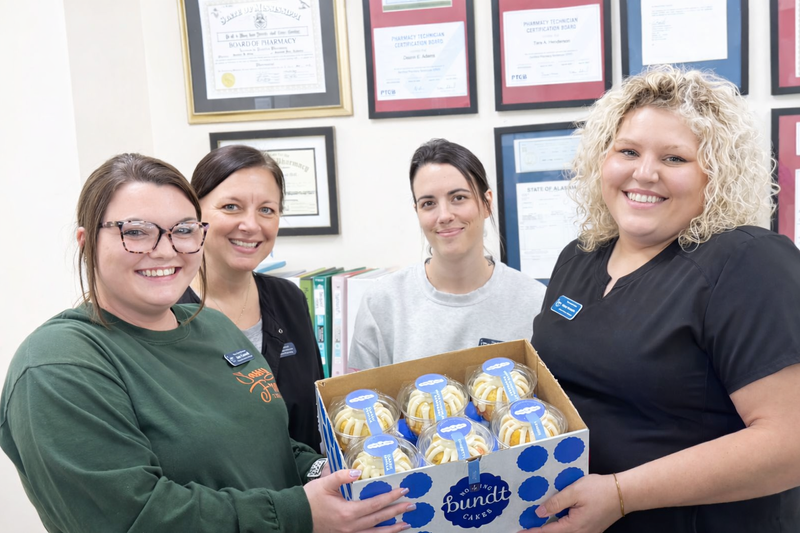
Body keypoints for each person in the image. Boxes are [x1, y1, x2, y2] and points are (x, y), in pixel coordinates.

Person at [0, 153, 413, 533]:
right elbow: (134, 517)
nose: (165, 251)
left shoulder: (211, 327)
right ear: (87, 242)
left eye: (182, 230)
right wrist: (298, 513)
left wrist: (330, 470)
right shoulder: (58, 365)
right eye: (137, 232)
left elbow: (269, 446)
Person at [529, 67, 800, 533]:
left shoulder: (746, 262)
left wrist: (619, 495)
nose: (644, 173)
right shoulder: (579, 256)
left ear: (716, 174)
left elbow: (790, 441)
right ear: (602, 159)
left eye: (675, 159)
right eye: (628, 151)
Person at [349, 139, 546, 369]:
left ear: (486, 203)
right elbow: (356, 398)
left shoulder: (535, 302)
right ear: (417, 212)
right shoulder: (382, 304)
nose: (444, 215)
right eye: (428, 203)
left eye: (458, 198)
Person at [178, 145, 323, 452]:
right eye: (231, 207)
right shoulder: (165, 310)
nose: (251, 225)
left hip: (311, 495)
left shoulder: (290, 300)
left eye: (266, 210)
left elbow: (316, 419)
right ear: (194, 212)